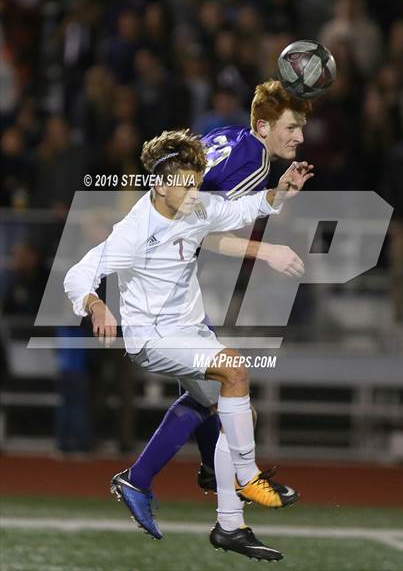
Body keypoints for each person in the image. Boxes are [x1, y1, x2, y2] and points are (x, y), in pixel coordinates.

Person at [64, 128, 313, 561]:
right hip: (152, 337)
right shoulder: (136, 229)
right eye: (188, 183)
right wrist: (95, 304)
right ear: (160, 183)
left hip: (189, 331)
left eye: (198, 182)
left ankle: (229, 525)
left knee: (236, 413)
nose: (196, 192)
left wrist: (281, 193)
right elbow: (79, 273)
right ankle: (247, 475)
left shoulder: (193, 205)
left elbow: (242, 207)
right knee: (234, 369)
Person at [119, 80, 311, 552]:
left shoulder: (235, 138)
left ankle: (222, 501)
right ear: (263, 126)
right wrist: (265, 249)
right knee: (231, 391)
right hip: (159, 293)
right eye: (292, 127)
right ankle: (195, 486)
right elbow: (197, 227)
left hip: (164, 278)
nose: (300, 138)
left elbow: (187, 209)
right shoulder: (255, 161)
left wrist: (278, 195)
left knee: (222, 401)